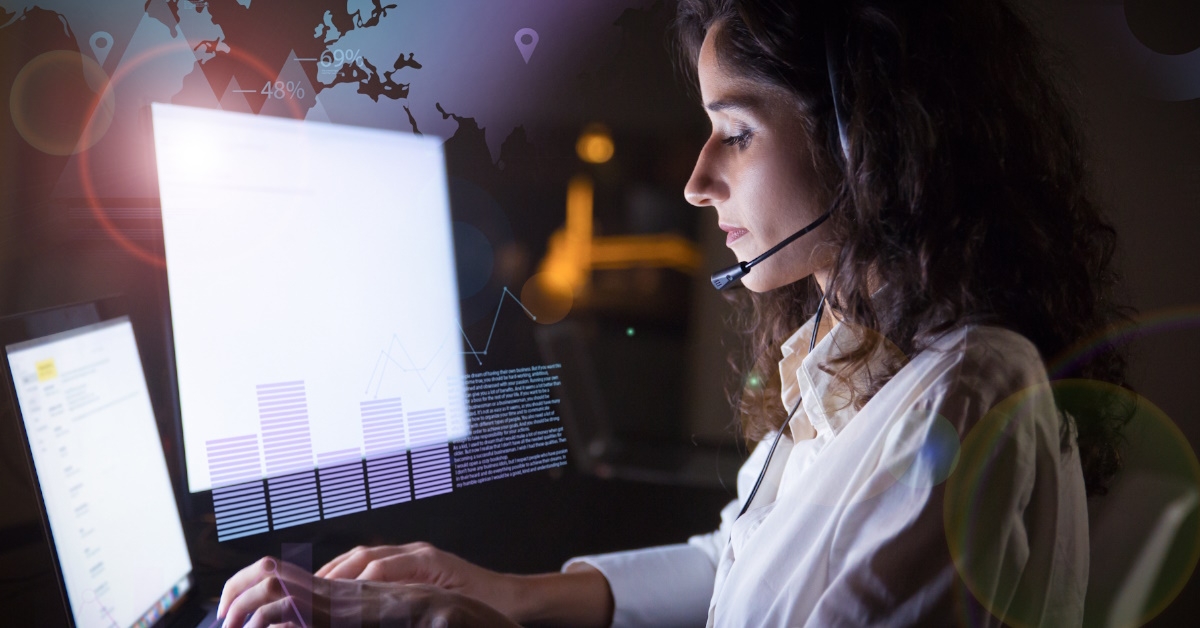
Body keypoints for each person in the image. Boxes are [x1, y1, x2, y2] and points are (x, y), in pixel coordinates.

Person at [217, 0, 1129, 625]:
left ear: (868, 140)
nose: (696, 181)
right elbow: (733, 560)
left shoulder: (965, 396)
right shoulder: (859, 362)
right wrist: (503, 592)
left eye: (736, 132)